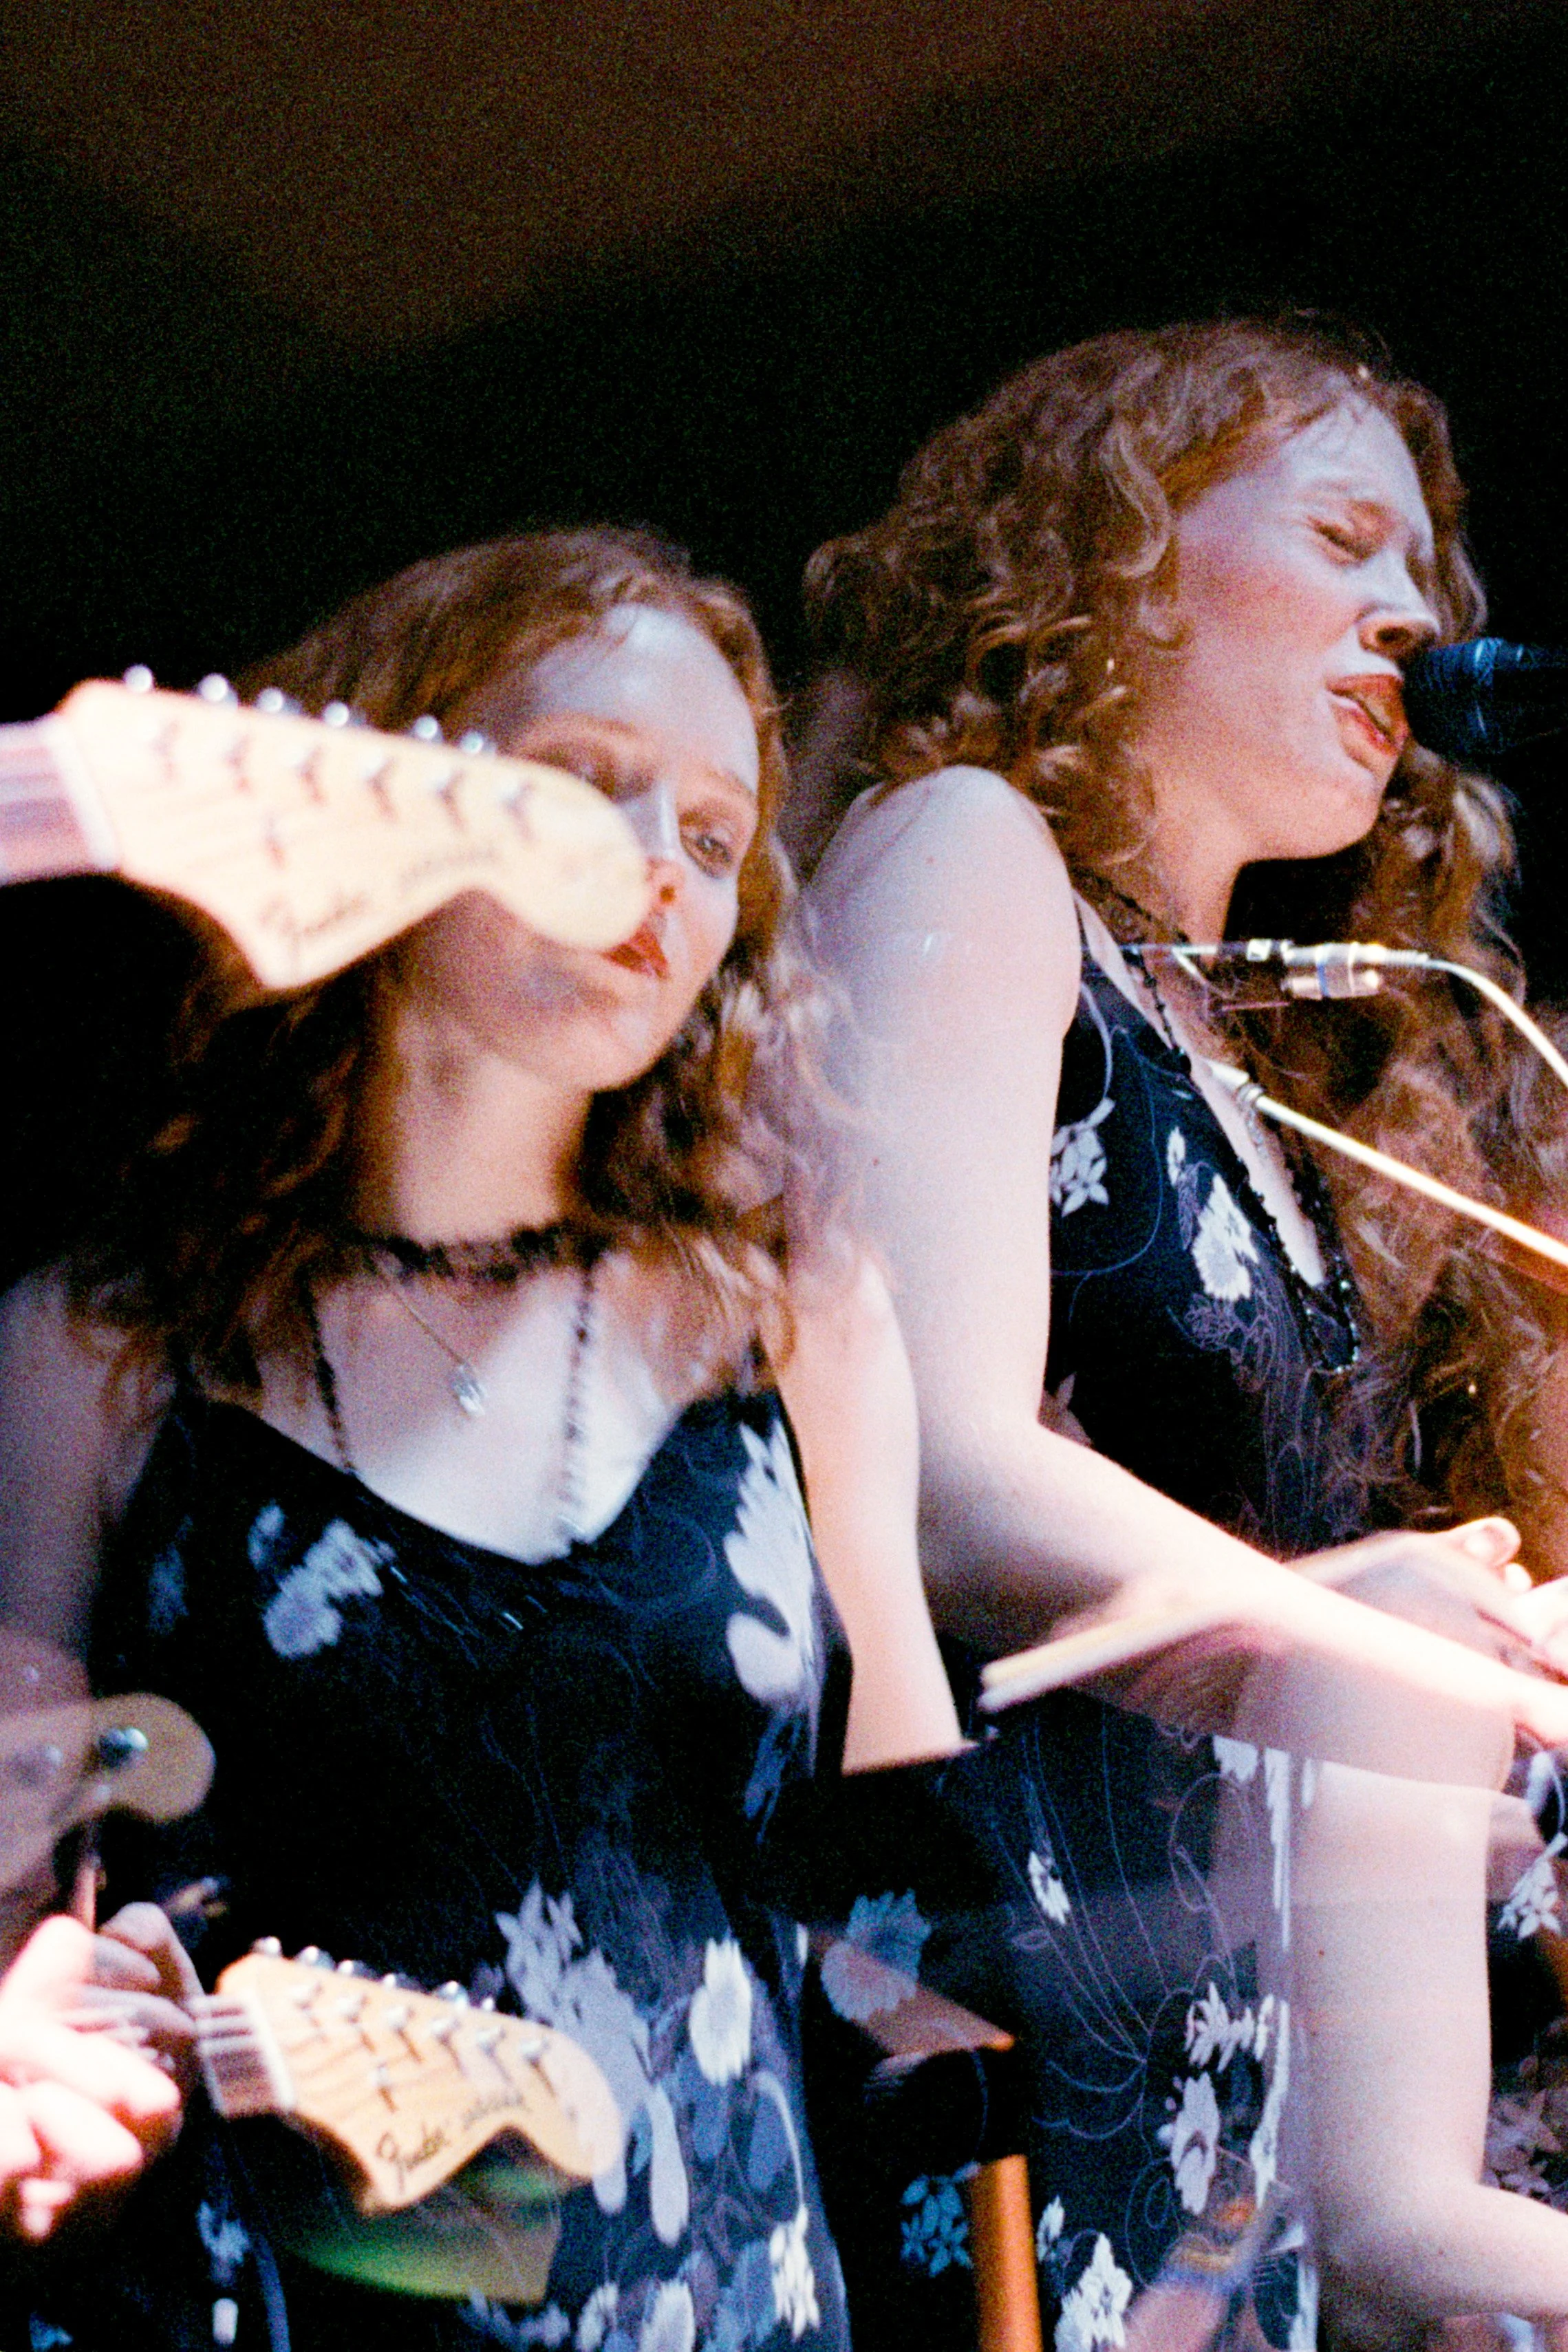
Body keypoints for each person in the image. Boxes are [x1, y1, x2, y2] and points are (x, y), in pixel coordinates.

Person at [0, 526, 963, 2349]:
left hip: (725, 2299)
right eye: (590, 791)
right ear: (382, 791)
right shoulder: (100, 1345)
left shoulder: (788, 1315)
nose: (655, 876)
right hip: (271, 2300)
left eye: (708, 832)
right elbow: (13, 1877)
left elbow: (911, 1892)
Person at [801, 319, 1568, 2342]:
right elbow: (935, 1474)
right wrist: (1354, 1630)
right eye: (1339, 539)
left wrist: (1462, 1637)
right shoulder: (969, 854)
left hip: (1188, 2082)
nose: (1407, 615)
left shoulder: (1227, 1041)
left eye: (1425, 574)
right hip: (991, 2043)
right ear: (1111, 557)